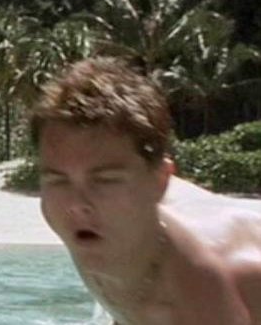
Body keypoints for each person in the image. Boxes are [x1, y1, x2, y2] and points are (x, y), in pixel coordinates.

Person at [33, 57, 261, 324]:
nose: (76, 204)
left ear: (160, 182)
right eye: (58, 180)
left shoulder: (200, 294)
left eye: (105, 180)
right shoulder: (101, 225)